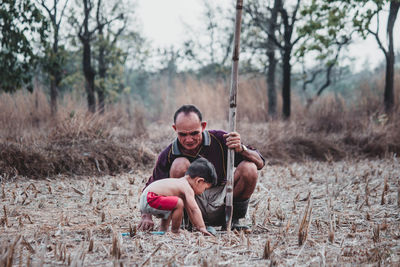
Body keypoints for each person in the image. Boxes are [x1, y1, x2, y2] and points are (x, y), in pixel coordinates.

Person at [138, 104, 265, 231]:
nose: (188, 140)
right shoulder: (169, 154)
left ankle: (232, 221)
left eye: (194, 133)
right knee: (179, 164)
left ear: (203, 126)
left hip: (224, 200)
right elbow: (152, 187)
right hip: (191, 203)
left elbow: (260, 163)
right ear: (174, 129)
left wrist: (242, 149)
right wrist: (146, 215)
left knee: (250, 168)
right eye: (182, 134)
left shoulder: (222, 139)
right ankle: (187, 223)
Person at [139, 158, 217, 235]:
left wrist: (197, 227)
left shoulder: (181, 183)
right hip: (150, 198)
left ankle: (163, 230)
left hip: (146, 198)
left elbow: (190, 210)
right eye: (205, 188)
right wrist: (202, 227)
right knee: (179, 203)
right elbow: (194, 209)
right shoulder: (187, 187)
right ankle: (175, 230)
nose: (203, 192)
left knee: (172, 204)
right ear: (199, 181)